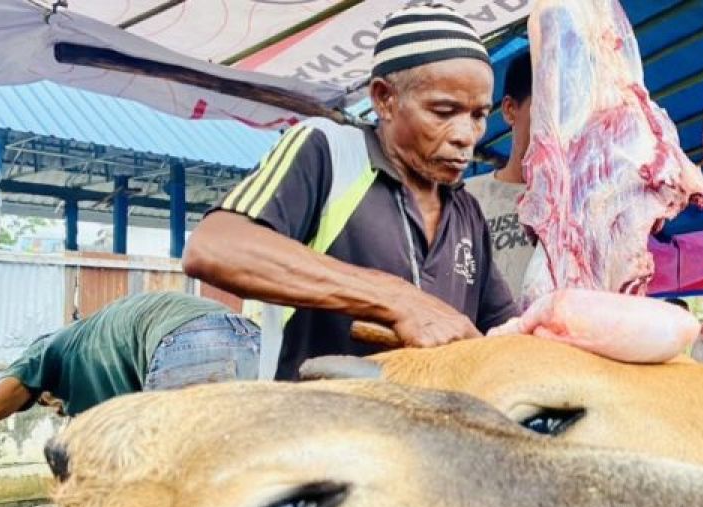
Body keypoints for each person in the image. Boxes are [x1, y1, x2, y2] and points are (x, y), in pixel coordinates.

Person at [182, 3, 517, 380]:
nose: (465, 136)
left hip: (427, 434)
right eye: (442, 111)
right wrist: (397, 298)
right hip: (317, 430)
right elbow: (215, 247)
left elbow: (501, 329)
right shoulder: (329, 151)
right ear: (384, 98)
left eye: (478, 115)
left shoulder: (465, 211)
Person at [0, 292, 259, 426]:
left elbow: (2, 398)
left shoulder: (46, 349)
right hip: (250, 337)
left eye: (46, 402)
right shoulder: (100, 345)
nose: (60, 410)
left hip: (187, 341)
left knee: (168, 483)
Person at [464, 51, 535, 299]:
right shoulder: (465, 199)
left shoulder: (582, 207)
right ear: (509, 110)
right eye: (544, 111)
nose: (555, 127)